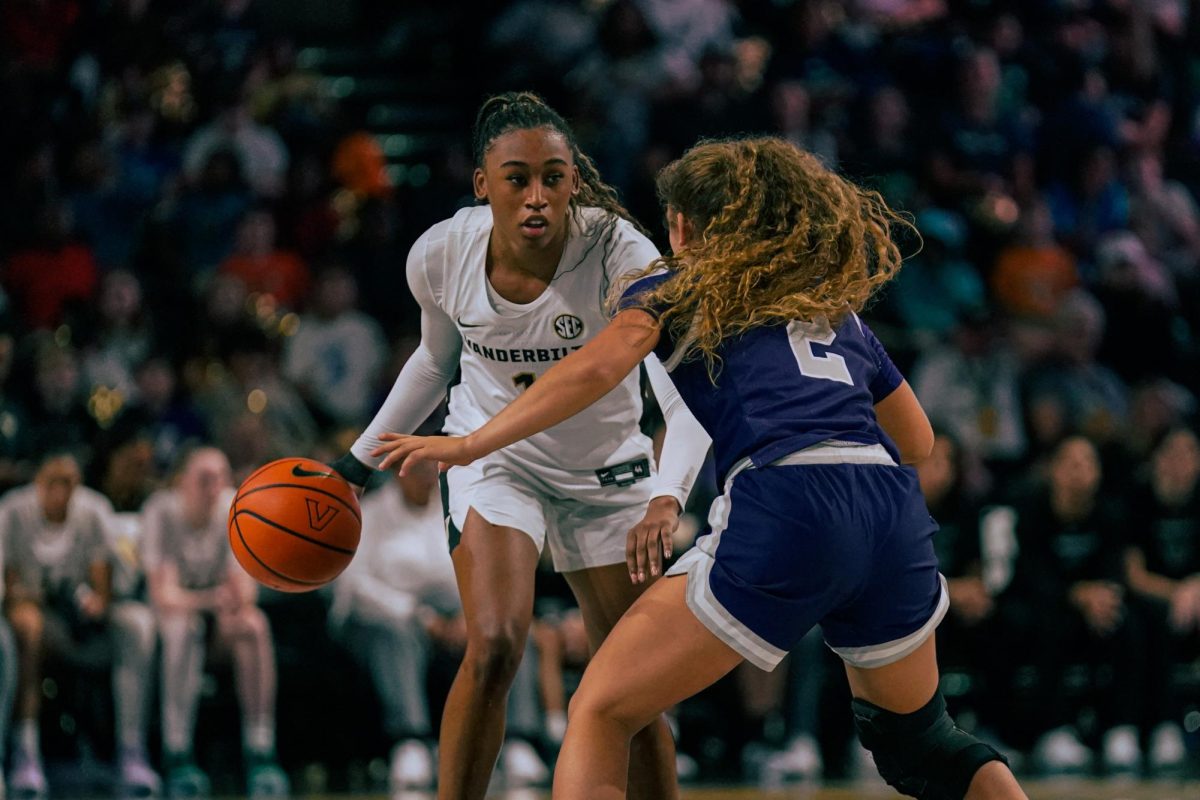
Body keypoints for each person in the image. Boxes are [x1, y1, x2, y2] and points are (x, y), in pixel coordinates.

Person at [377, 136, 1028, 800]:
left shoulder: (681, 286)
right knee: (923, 741)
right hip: (890, 508)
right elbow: (916, 441)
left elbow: (599, 368)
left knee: (601, 710)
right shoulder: (833, 310)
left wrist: (470, 442)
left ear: (684, 225)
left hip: (791, 496)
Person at [327, 92, 709, 799]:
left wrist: (666, 496)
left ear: (573, 181)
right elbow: (434, 363)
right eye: (517, 178)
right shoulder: (441, 253)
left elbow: (687, 401)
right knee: (498, 643)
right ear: (483, 184)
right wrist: (356, 463)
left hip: (608, 473)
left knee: (631, 686)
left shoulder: (623, 254)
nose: (537, 196)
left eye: (553, 177)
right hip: (493, 458)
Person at [329, 458, 549, 791]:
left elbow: (477, 568)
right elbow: (354, 586)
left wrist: (469, 614)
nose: (428, 475)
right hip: (384, 616)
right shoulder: (370, 514)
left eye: (433, 467)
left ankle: (518, 740)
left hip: (452, 610)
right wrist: (418, 615)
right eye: (418, 468)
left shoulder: (455, 508)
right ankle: (410, 742)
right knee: (396, 635)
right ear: (397, 471)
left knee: (511, 628)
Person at [1, 452, 159, 799]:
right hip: (31, 618)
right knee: (27, 627)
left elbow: (104, 578)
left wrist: (94, 601)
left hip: (82, 620)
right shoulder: (13, 510)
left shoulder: (93, 509)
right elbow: (8, 586)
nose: (60, 491)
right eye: (52, 481)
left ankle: (132, 749)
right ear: (37, 480)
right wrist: (28, 596)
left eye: (68, 482)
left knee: (138, 625)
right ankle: (24, 752)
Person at [139, 446, 289, 798]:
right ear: (182, 483)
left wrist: (215, 600)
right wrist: (210, 599)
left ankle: (260, 748)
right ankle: (177, 752)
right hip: (168, 628)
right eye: (205, 479)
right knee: (182, 628)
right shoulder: (160, 512)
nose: (214, 488)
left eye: (220, 479)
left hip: (217, 625)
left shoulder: (235, 508)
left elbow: (244, 594)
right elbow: (164, 596)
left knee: (254, 625)